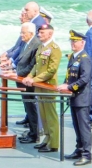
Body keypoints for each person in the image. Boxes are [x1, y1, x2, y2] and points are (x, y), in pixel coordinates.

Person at [22, 23, 62, 153]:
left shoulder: (55, 49)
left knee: (51, 116)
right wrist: (29, 76)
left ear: (50, 34)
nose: (39, 35)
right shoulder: (41, 47)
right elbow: (36, 66)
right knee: (43, 116)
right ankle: (47, 139)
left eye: (42, 33)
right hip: (39, 87)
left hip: (48, 86)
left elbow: (51, 70)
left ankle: (54, 143)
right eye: (39, 32)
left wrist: (33, 80)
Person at [58, 30, 92, 166]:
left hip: (82, 98)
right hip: (74, 98)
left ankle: (86, 154)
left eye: (75, 41)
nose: (73, 43)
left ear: (82, 43)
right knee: (76, 126)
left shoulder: (85, 58)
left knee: (84, 127)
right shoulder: (73, 57)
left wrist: (70, 87)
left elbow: (84, 79)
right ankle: (79, 150)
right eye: (72, 41)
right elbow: (70, 75)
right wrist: (65, 83)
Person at [12, 23, 42, 145]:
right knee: (28, 107)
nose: (21, 35)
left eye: (23, 33)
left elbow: (32, 66)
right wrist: (12, 68)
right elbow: (20, 59)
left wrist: (18, 74)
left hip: (28, 81)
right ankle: (31, 132)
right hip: (22, 80)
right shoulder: (26, 43)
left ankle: (35, 134)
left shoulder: (36, 44)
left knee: (32, 108)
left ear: (30, 33)